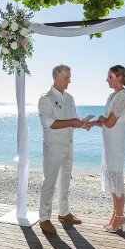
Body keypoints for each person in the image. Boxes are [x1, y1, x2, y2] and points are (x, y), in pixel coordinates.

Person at [37, 64, 91, 236]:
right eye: (66, 77)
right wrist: (72, 123)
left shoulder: (70, 98)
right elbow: (49, 123)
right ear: (56, 77)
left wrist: (82, 124)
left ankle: (64, 213)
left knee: (65, 180)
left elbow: (72, 120)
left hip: (68, 144)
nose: (69, 80)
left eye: (69, 77)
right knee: (50, 182)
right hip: (53, 147)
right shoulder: (45, 98)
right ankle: (44, 218)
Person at [89, 65, 125, 233]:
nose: (107, 79)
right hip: (109, 144)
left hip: (117, 144)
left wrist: (100, 118)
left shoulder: (123, 97)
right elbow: (104, 123)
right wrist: (91, 123)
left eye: (110, 77)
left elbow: (109, 122)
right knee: (113, 181)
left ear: (120, 77)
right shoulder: (111, 96)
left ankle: (120, 218)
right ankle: (116, 215)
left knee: (117, 181)